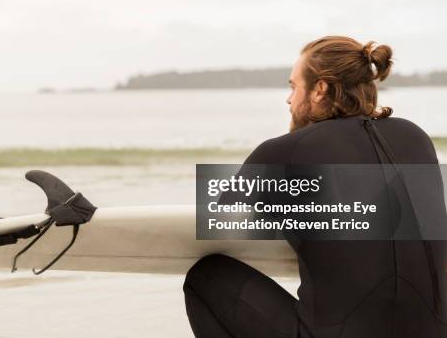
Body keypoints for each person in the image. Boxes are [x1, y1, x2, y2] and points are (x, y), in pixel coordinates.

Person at [183, 36, 447, 337]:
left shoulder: (284, 152)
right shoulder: (417, 137)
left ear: (320, 89)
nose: (288, 99)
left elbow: (221, 224)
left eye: (293, 87)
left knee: (206, 277)